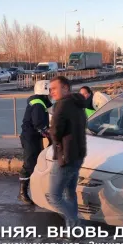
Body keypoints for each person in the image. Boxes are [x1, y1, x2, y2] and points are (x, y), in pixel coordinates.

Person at [47, 76, 87, 229]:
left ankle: (75, 221)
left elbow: (56, 131)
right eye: (50, 90)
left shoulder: (61, 105)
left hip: (65, 156)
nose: (52, 92)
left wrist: (55, 140)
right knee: (70, 192)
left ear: (65, 88)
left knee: (54, 196)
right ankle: (73, 227)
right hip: (78, 154)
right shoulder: (78, 103)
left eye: (54, 88)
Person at [18, 81, 53, 205]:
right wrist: (48, 133)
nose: (51, 93)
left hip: (34, 137)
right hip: (30, 138)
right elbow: (39, 124)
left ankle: (34, 190)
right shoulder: (38, 104)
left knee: (36, 162)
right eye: (50, 91)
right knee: (29, 164)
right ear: (44, 91)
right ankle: (22, 193)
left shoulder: (40, 102)